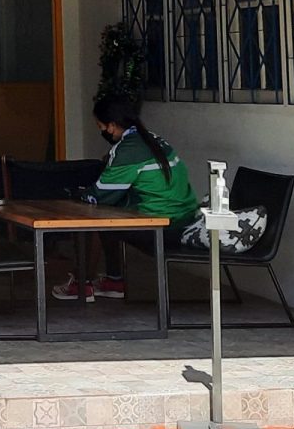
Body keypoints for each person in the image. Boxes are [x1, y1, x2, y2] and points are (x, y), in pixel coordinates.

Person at [51, 94, 199, 302]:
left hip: (164, 225)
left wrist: (78, 194)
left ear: (111, 125)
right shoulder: (153, 139)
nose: (101, 131)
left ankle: (81, 284)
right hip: (185, 218)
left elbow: (101, 194)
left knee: (90, 216)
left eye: (100, 125)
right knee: (109, 214)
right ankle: (113, 281)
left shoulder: (128, 149)